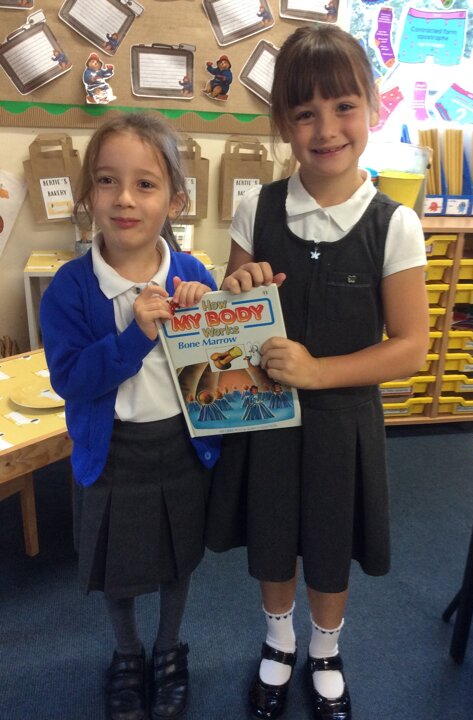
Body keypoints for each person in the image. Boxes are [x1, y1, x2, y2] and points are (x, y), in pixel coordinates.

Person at [205, 24, 429, 720]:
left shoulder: (395, 224)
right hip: (264, 420)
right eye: (305, 113)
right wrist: (235, 290)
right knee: (273, 537)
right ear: (283, 123)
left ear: (373, 107)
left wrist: (317, 371)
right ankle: (278, 641)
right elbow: (227, 322)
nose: (326, 129)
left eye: (344, 106)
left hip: (342, 424)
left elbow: (411, 347)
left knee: (331, 545)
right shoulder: (257, 208)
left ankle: (326, 650)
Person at [40, 112, 220, 720]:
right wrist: (134, 337)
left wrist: (212, 314)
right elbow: (71, 380)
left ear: (175, 200)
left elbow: (220, 372)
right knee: (114, 566)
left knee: (177, 558)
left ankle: (169, 649)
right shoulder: (70, 288)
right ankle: (127, 653)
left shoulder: (193, 274)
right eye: (107, 180)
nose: (124, 199)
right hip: (111, 451)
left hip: (180, 447)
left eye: (145, 184)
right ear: (88, 193)